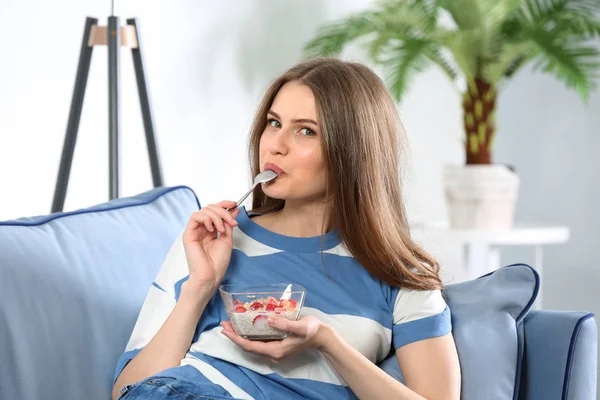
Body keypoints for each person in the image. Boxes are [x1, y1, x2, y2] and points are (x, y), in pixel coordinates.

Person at [112, 57, 461, 400]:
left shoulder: (400, 274)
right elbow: (128, 391)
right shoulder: (214, 240)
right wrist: (199, 287)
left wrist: (327, 343)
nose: (275, 145)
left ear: (352, 152)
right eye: (274, 123)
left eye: (305, 131)